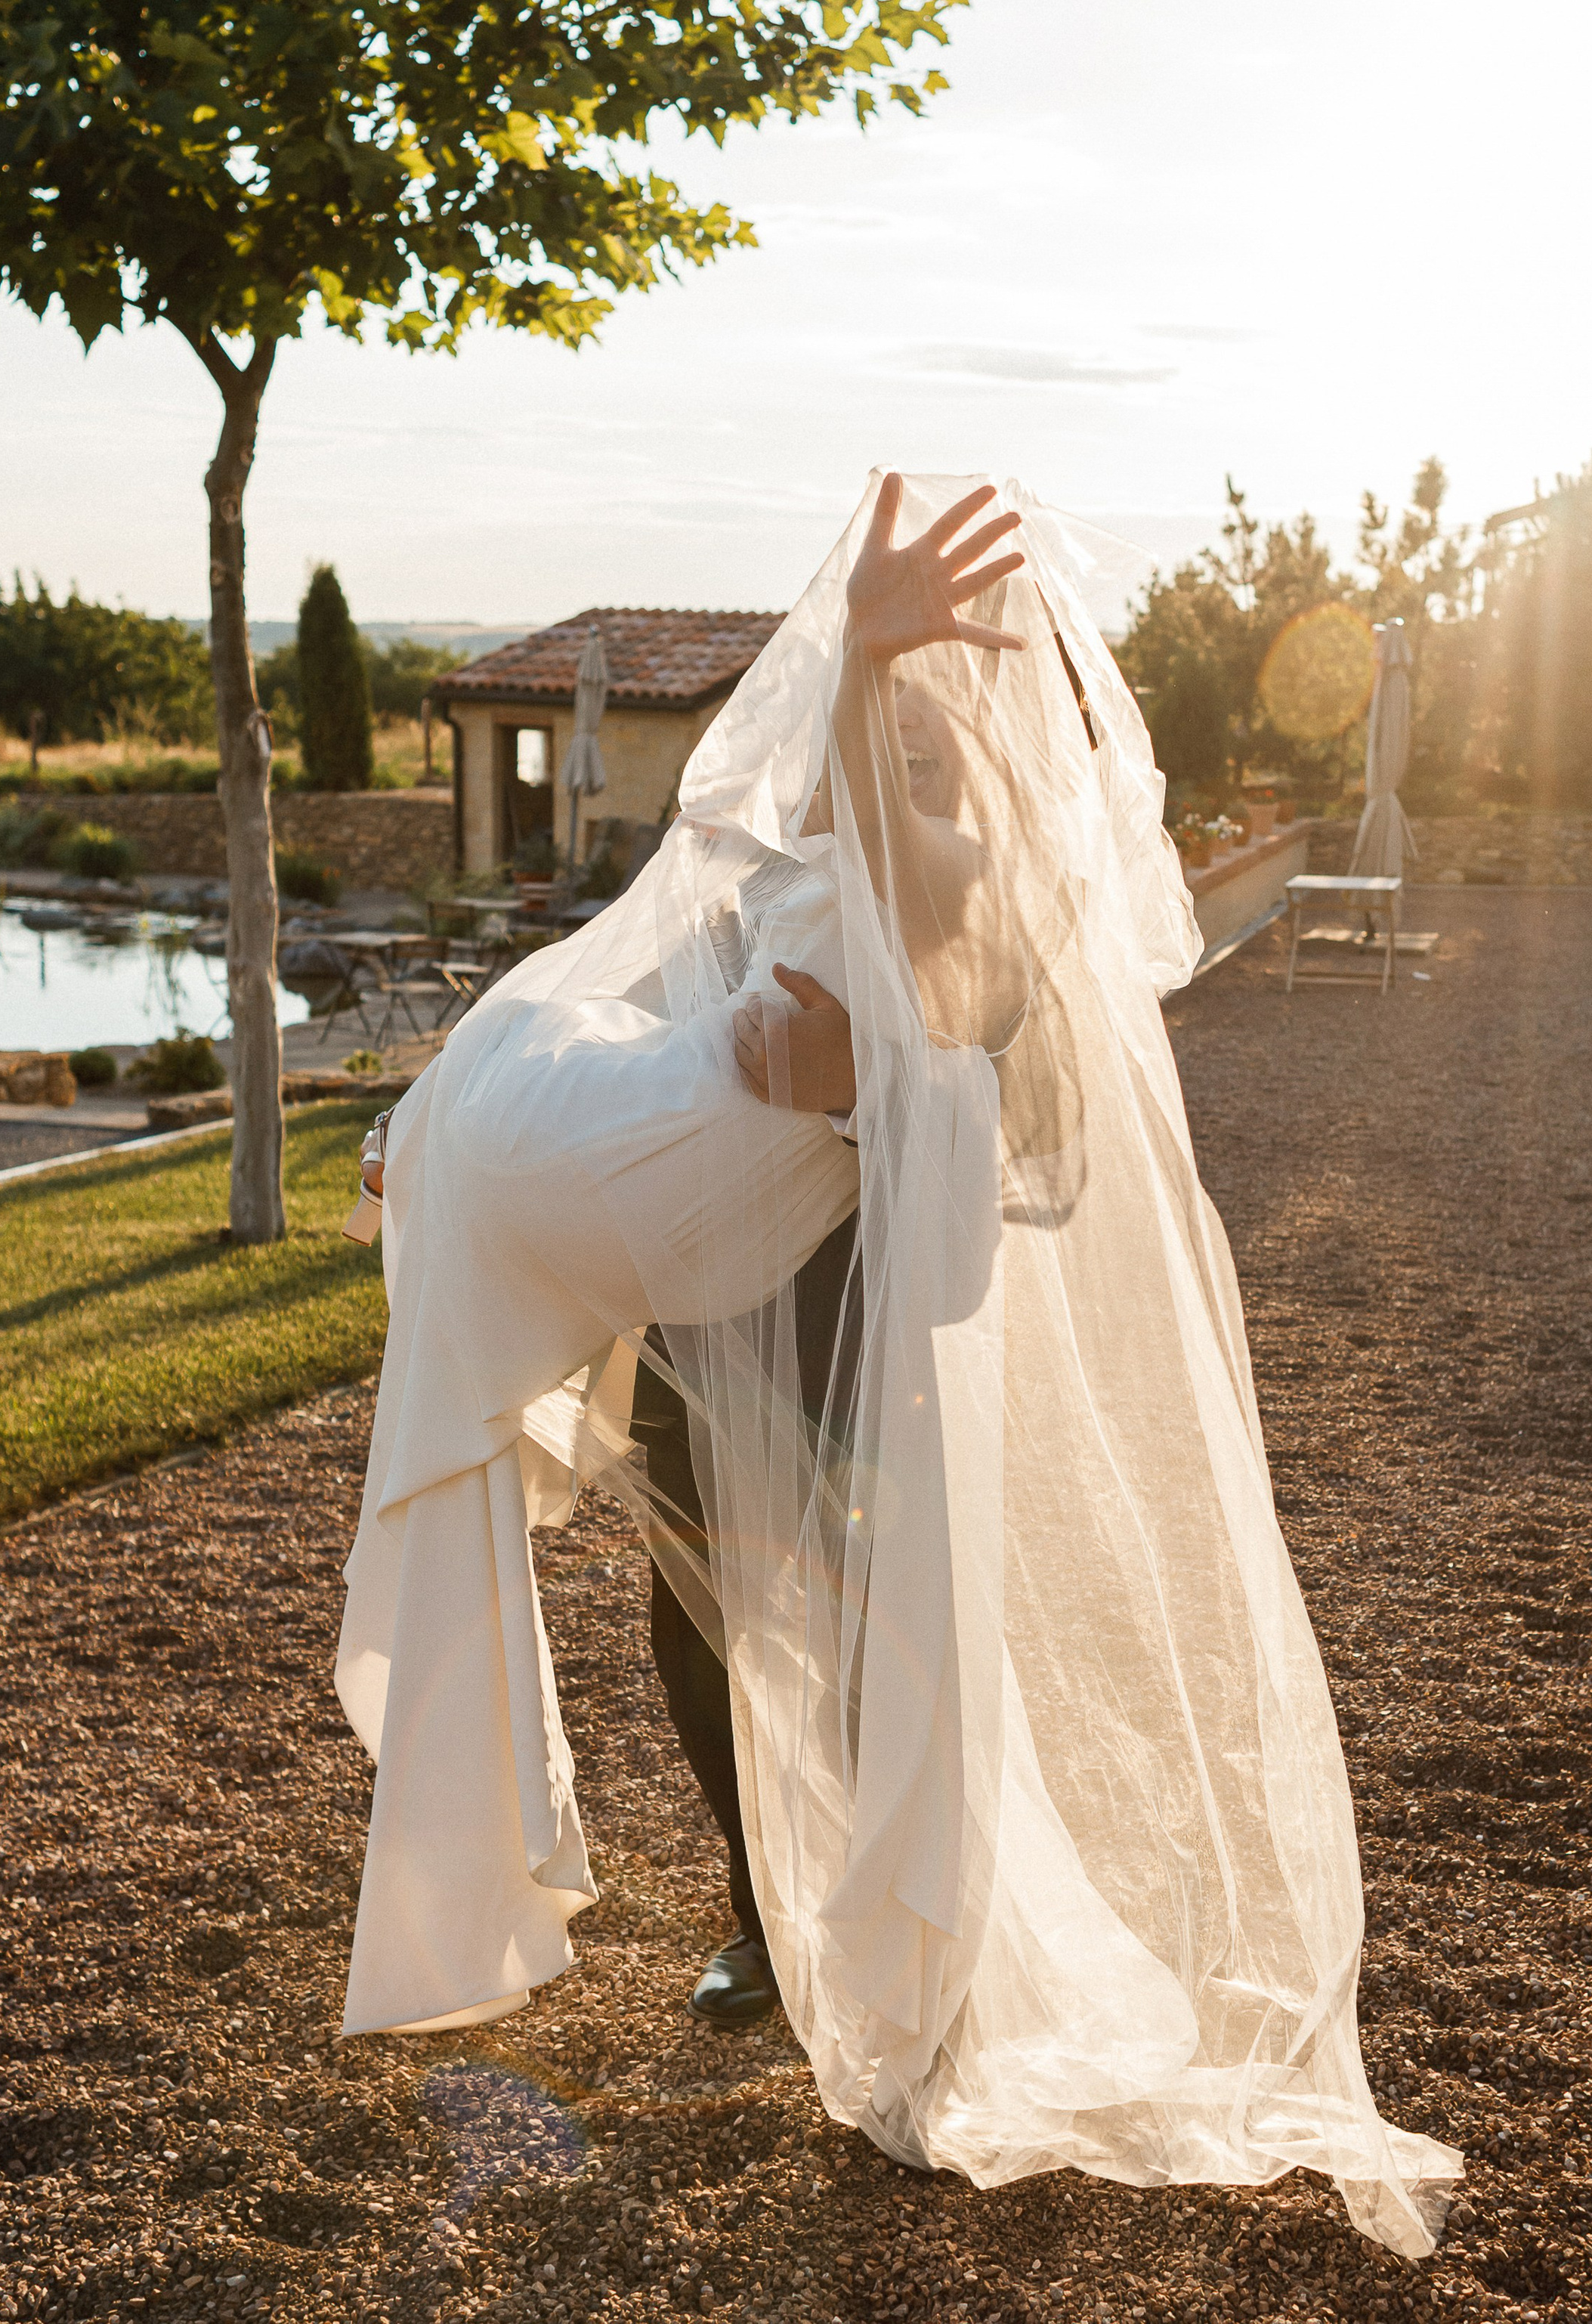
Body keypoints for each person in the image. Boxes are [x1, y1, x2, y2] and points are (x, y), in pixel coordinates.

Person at [335, 474, 1461, 2259]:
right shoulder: (777, 848)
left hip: (850, 1285)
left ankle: (889, 1945)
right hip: (710, 1278)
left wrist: (858, 1044)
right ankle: (761, 1917)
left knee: (865, 1620)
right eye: (896, 711)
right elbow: (636, 980)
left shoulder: (996, 886)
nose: (911, 738)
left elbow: (993, 1092)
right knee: (690, 1596)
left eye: (948, 717)